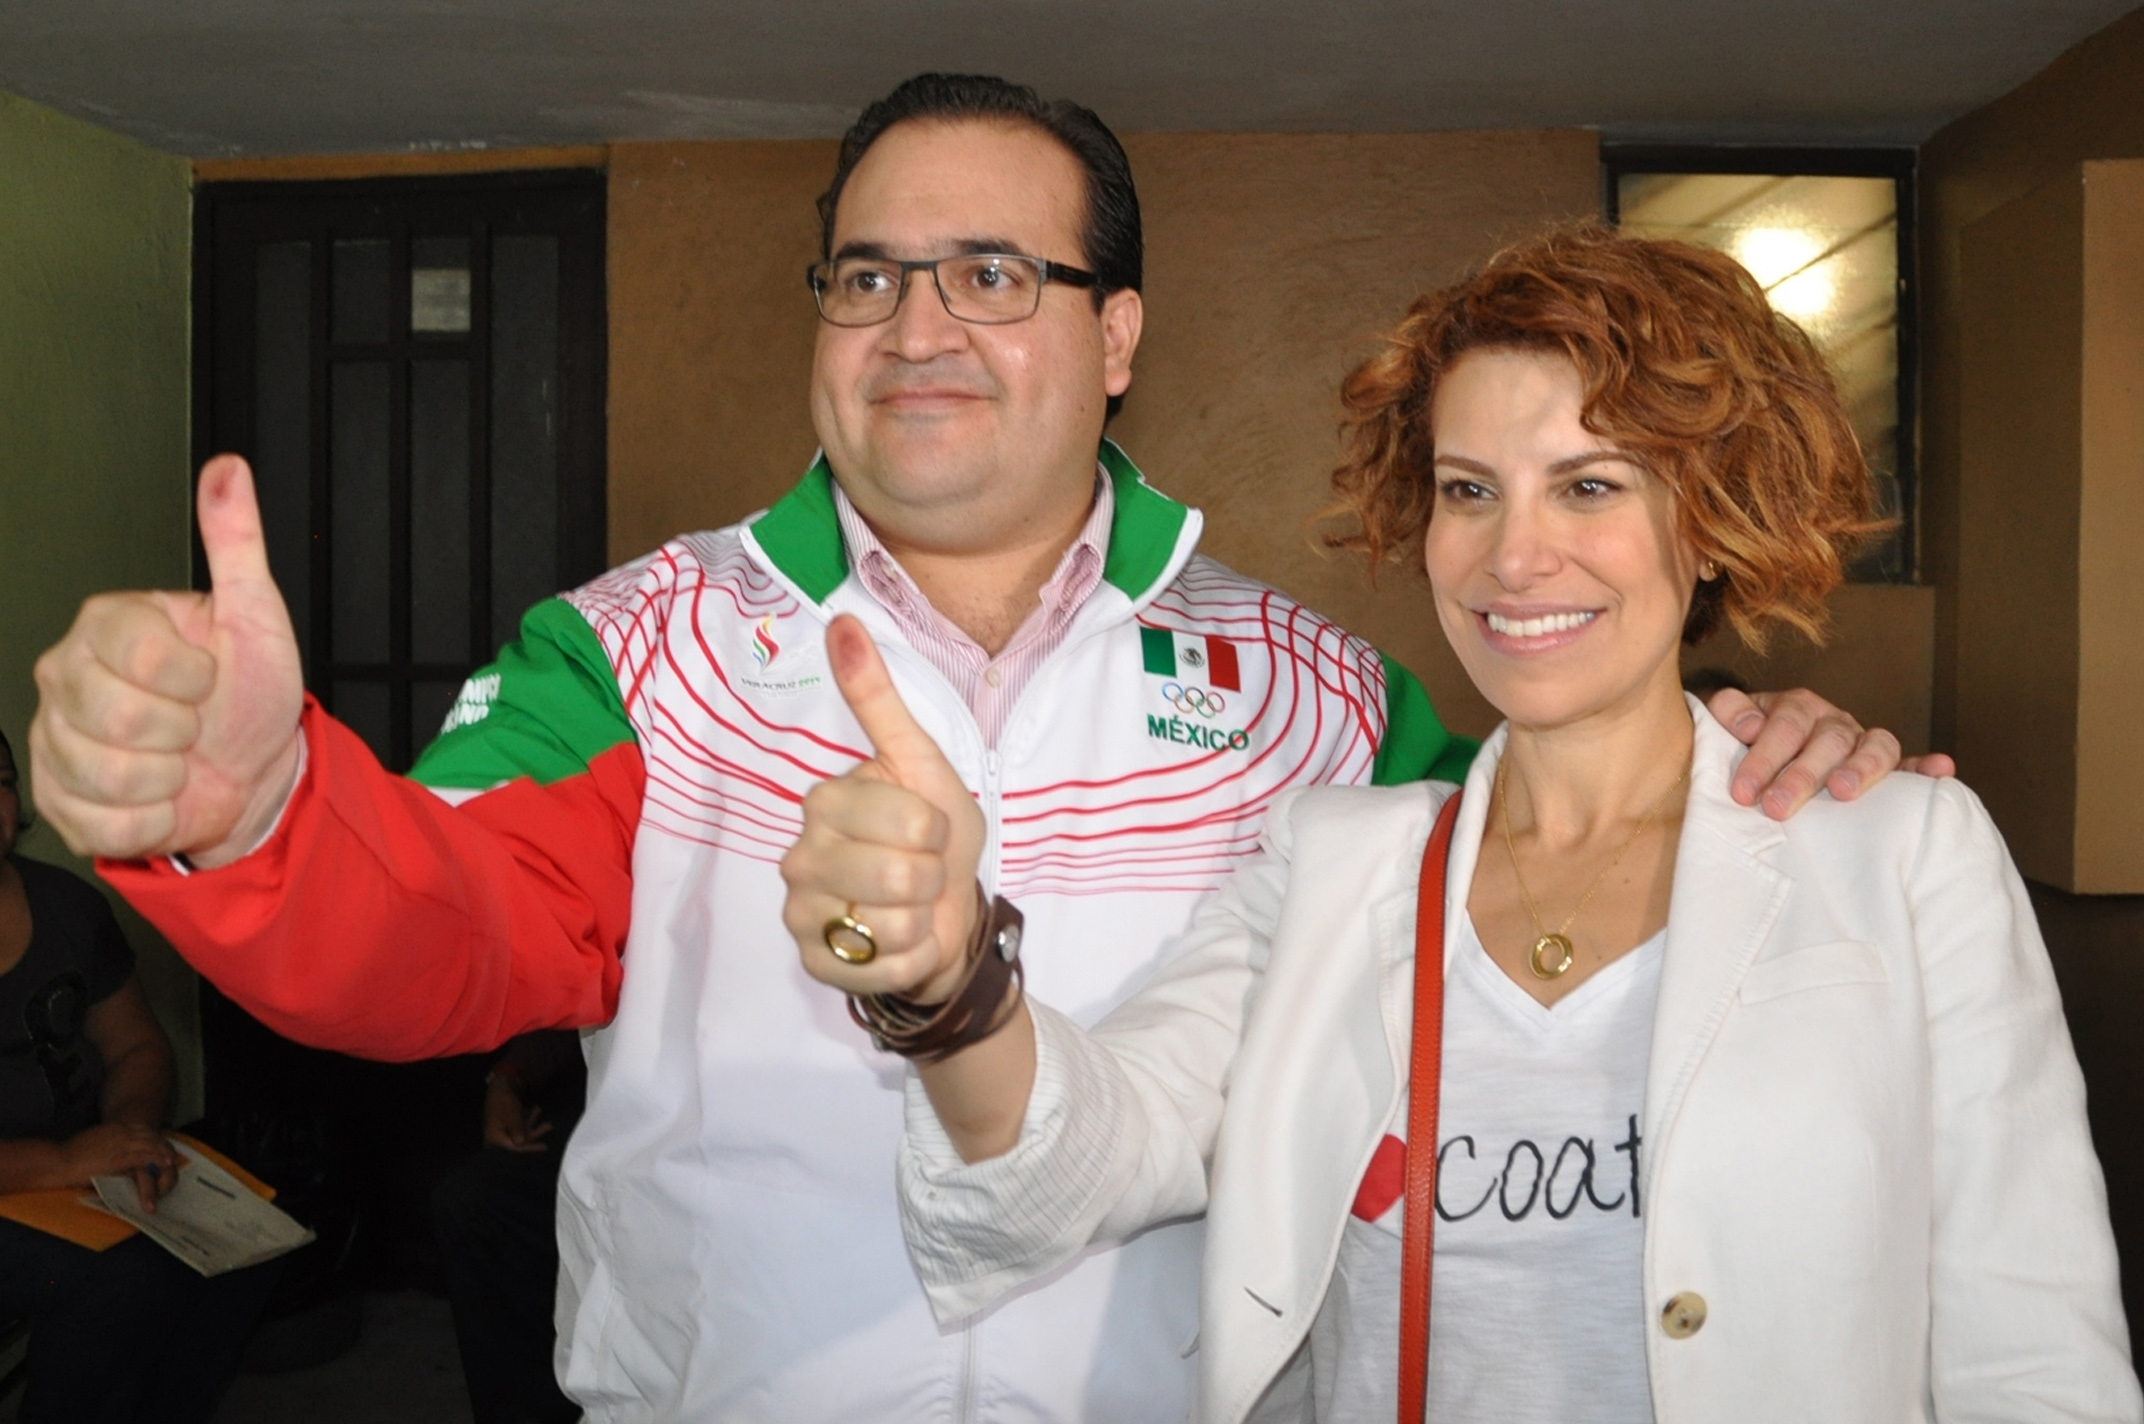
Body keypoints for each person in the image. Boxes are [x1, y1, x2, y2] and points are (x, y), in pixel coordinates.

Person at [28, 75, 1929, 1422]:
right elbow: (440, 925)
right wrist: (259, 817)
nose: (916, 325)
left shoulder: (1314, 694)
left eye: (993, 274)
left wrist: (1734, 748)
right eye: (866, 275)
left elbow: (1559, 869)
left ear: (1117, 335)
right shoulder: (641, 648)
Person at [785, 226, 2137, 1423]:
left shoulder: (1901, 854)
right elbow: (1085, 1153)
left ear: (1710, 521)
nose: (1513, 556)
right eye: (1469, 488)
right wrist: (949, 982)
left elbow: (2033, 1354)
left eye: (1590, 484)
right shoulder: (1333, 864)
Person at [0, 727, 280, 1424]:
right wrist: (62, 1161)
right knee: (122, 1280)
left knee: (244, 1247)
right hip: (30, 1179)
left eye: (0, 782)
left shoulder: (66, 905)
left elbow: (137, 1046)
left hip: (79, 1172)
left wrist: (130, 1135)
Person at [430, 1030, 586, 1424]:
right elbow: (576, 1007)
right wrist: (507, 1079)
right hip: (606, 1102)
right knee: (476, 1203)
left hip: (706, 1133)